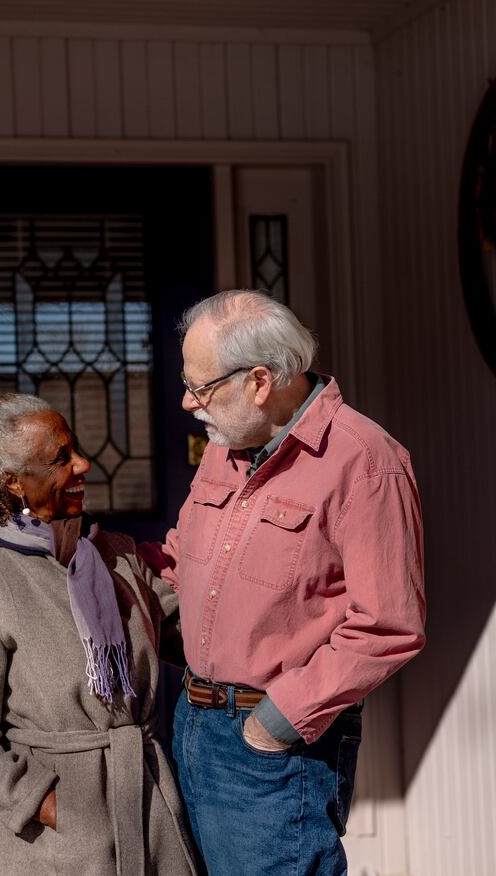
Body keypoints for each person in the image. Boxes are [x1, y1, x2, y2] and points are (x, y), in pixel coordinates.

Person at [139, 290, 426, 876]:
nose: (187, 402)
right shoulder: (226, 448)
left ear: (260, 382)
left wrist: (274, 725)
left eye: (200, 387)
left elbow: (389, 626)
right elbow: (187, 562)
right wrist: (105, 560)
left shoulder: (365, 463)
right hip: (193, 726)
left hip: (273, 749)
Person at [0, 394, 196, 876]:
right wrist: (44, 804)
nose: (82, 464)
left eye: (74, 448)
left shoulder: (118, 557)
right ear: (12, 482)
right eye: (59, 459)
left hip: (152, 816)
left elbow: (197, 633)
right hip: (57, 845)